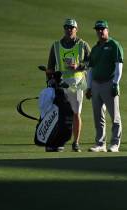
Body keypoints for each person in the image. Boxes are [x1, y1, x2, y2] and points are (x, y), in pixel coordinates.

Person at [47, 18, 91, 152]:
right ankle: (58, 142)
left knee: (76, 113)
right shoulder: (56, 45)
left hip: (77, 84)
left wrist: (79, 66)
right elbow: (50, 68)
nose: (69, 29)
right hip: (60, 85)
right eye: (67, 27)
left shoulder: (83, 45)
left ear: (76, 29)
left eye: (71, 27)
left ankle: (75, 142)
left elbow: (92, 63)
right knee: (59, 114)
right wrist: (50, 81)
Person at [86, 20, 124, 152]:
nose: (100, 31)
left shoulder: (114, 45)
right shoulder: (95, 48)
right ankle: (100, 144)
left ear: (107, 30)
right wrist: (89, 86)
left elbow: (118, 66)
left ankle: (115, 143)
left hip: (109, 83)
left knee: (115, 116)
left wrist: (115, 83)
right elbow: (90, 69)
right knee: (98, 116)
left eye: (102, 29)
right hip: (96, 84)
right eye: (98, 29)